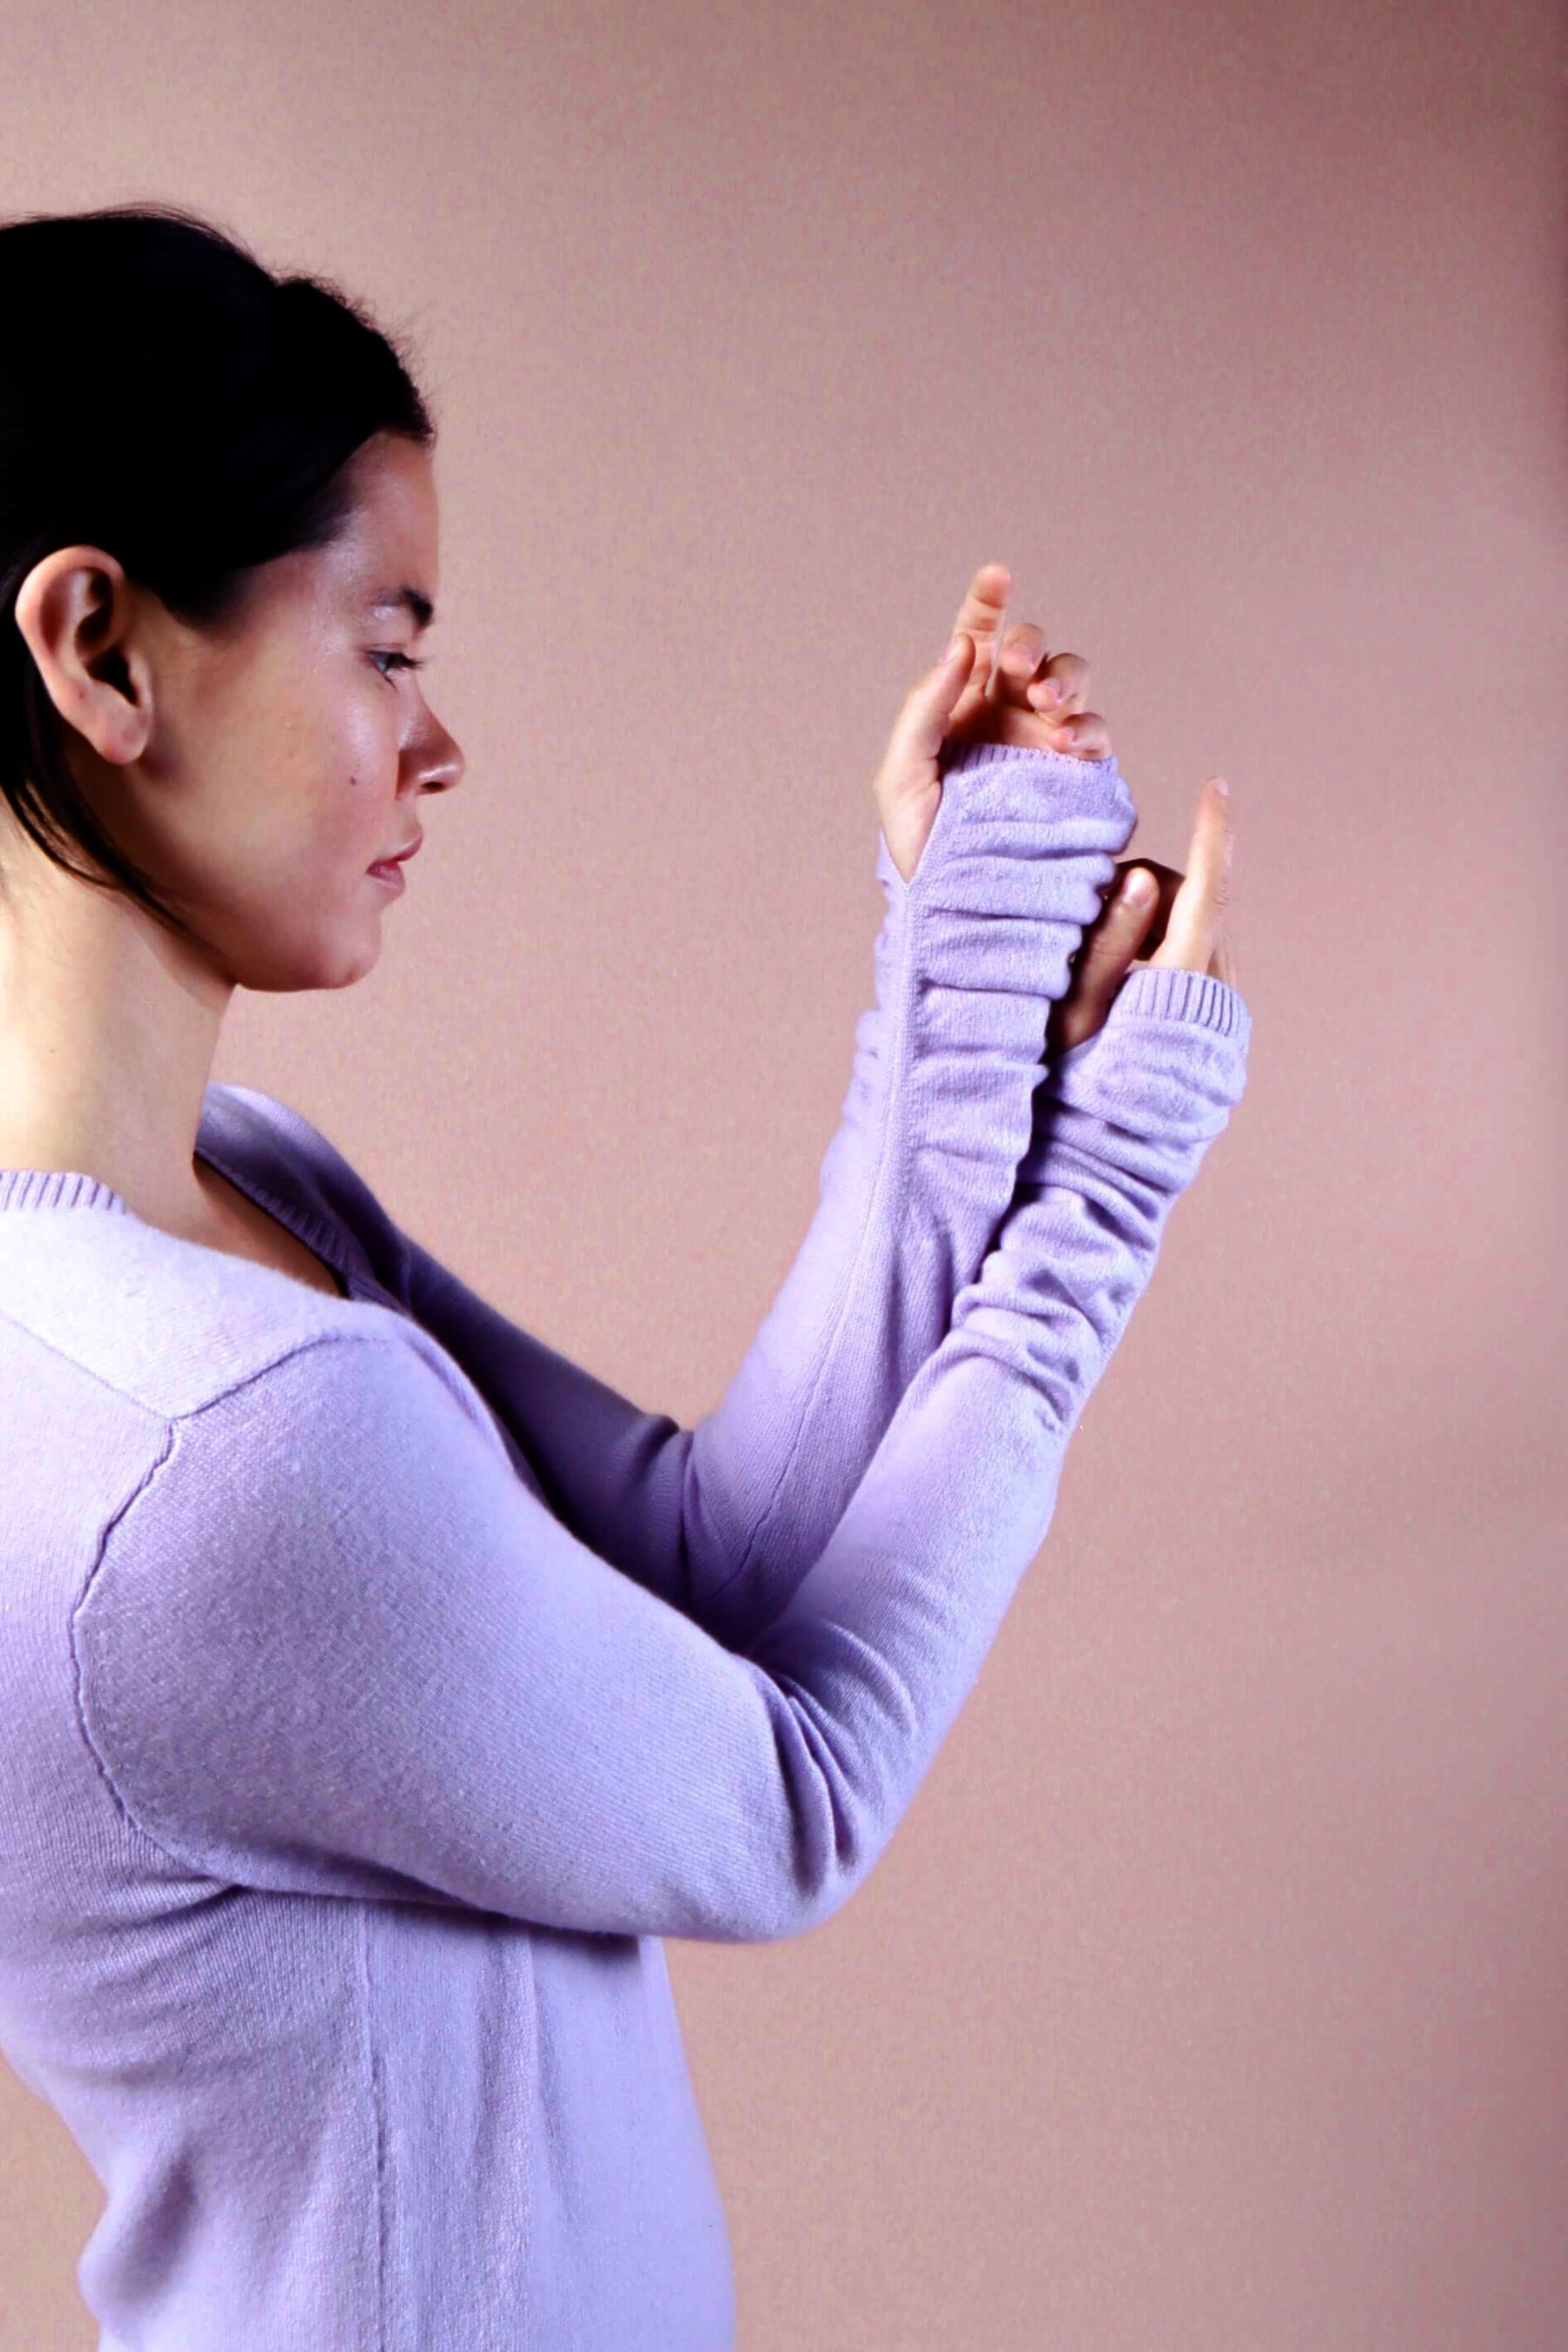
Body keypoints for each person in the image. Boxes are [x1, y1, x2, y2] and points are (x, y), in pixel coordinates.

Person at [0, 201, 1249, 2350]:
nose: (436, 738)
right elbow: (789, 1796)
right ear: (100, 650)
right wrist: (1101, 1195)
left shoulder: (234, 1208)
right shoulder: (208, 1443)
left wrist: (957, 990)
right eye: (384, 643)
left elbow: (697, 1561)